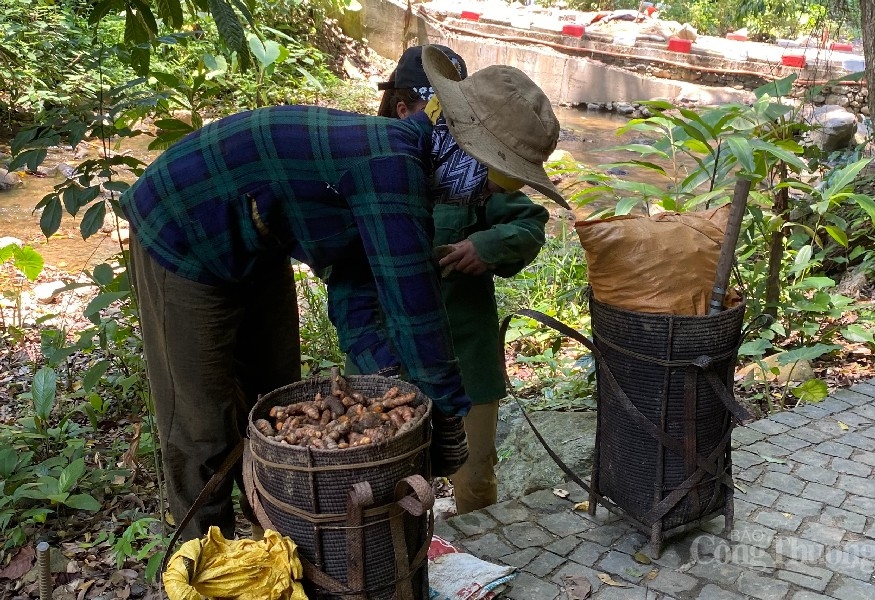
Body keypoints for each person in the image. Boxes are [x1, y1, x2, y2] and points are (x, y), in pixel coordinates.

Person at [122, 45, 569, 541]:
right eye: (502, 177)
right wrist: (443, 433)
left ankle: (277, 535)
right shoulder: (389, 167)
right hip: (180, 232)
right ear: (463, 145)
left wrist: (385, 385)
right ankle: (200, 556)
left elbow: (354, 287)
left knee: (272, 403)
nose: (494, 195)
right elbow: (415, 312)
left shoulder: (406, 170)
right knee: (201, 423)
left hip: (259, 241)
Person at [368, 45, 563, 514]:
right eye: (439, 110)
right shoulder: (375, 168)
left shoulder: (477, 171)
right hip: (387, 360)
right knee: (381, 484)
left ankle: (482, 567)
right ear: (405, 108)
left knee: (474, 478)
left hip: (465, 359)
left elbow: (529, 223)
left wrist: (487, 246)